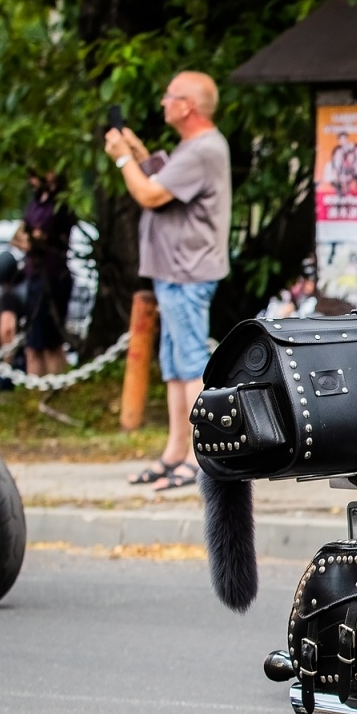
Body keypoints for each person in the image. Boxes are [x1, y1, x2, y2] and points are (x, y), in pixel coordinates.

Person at [104, 70, 232, 491]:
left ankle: (199, 459)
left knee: (192, 363)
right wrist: (140, 152)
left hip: (187, 272)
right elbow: (162, 180)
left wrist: (123, 159)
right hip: (175, 272)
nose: (163, 102)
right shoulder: (193, 147)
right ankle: (175, 453)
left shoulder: (202, 150)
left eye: (169, 95)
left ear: (187, 106)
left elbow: (151, 194)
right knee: (176, 365)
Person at [21, 172, 76, 378]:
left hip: (53, 277)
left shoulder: (60, 206)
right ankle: (35, 388)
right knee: (33, 344)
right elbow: (21, 236)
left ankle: (56, 384)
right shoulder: (34, 203)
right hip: (34, 275)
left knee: (51, 343)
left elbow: (42, 237)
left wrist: (38, 238)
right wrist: (32, 237)